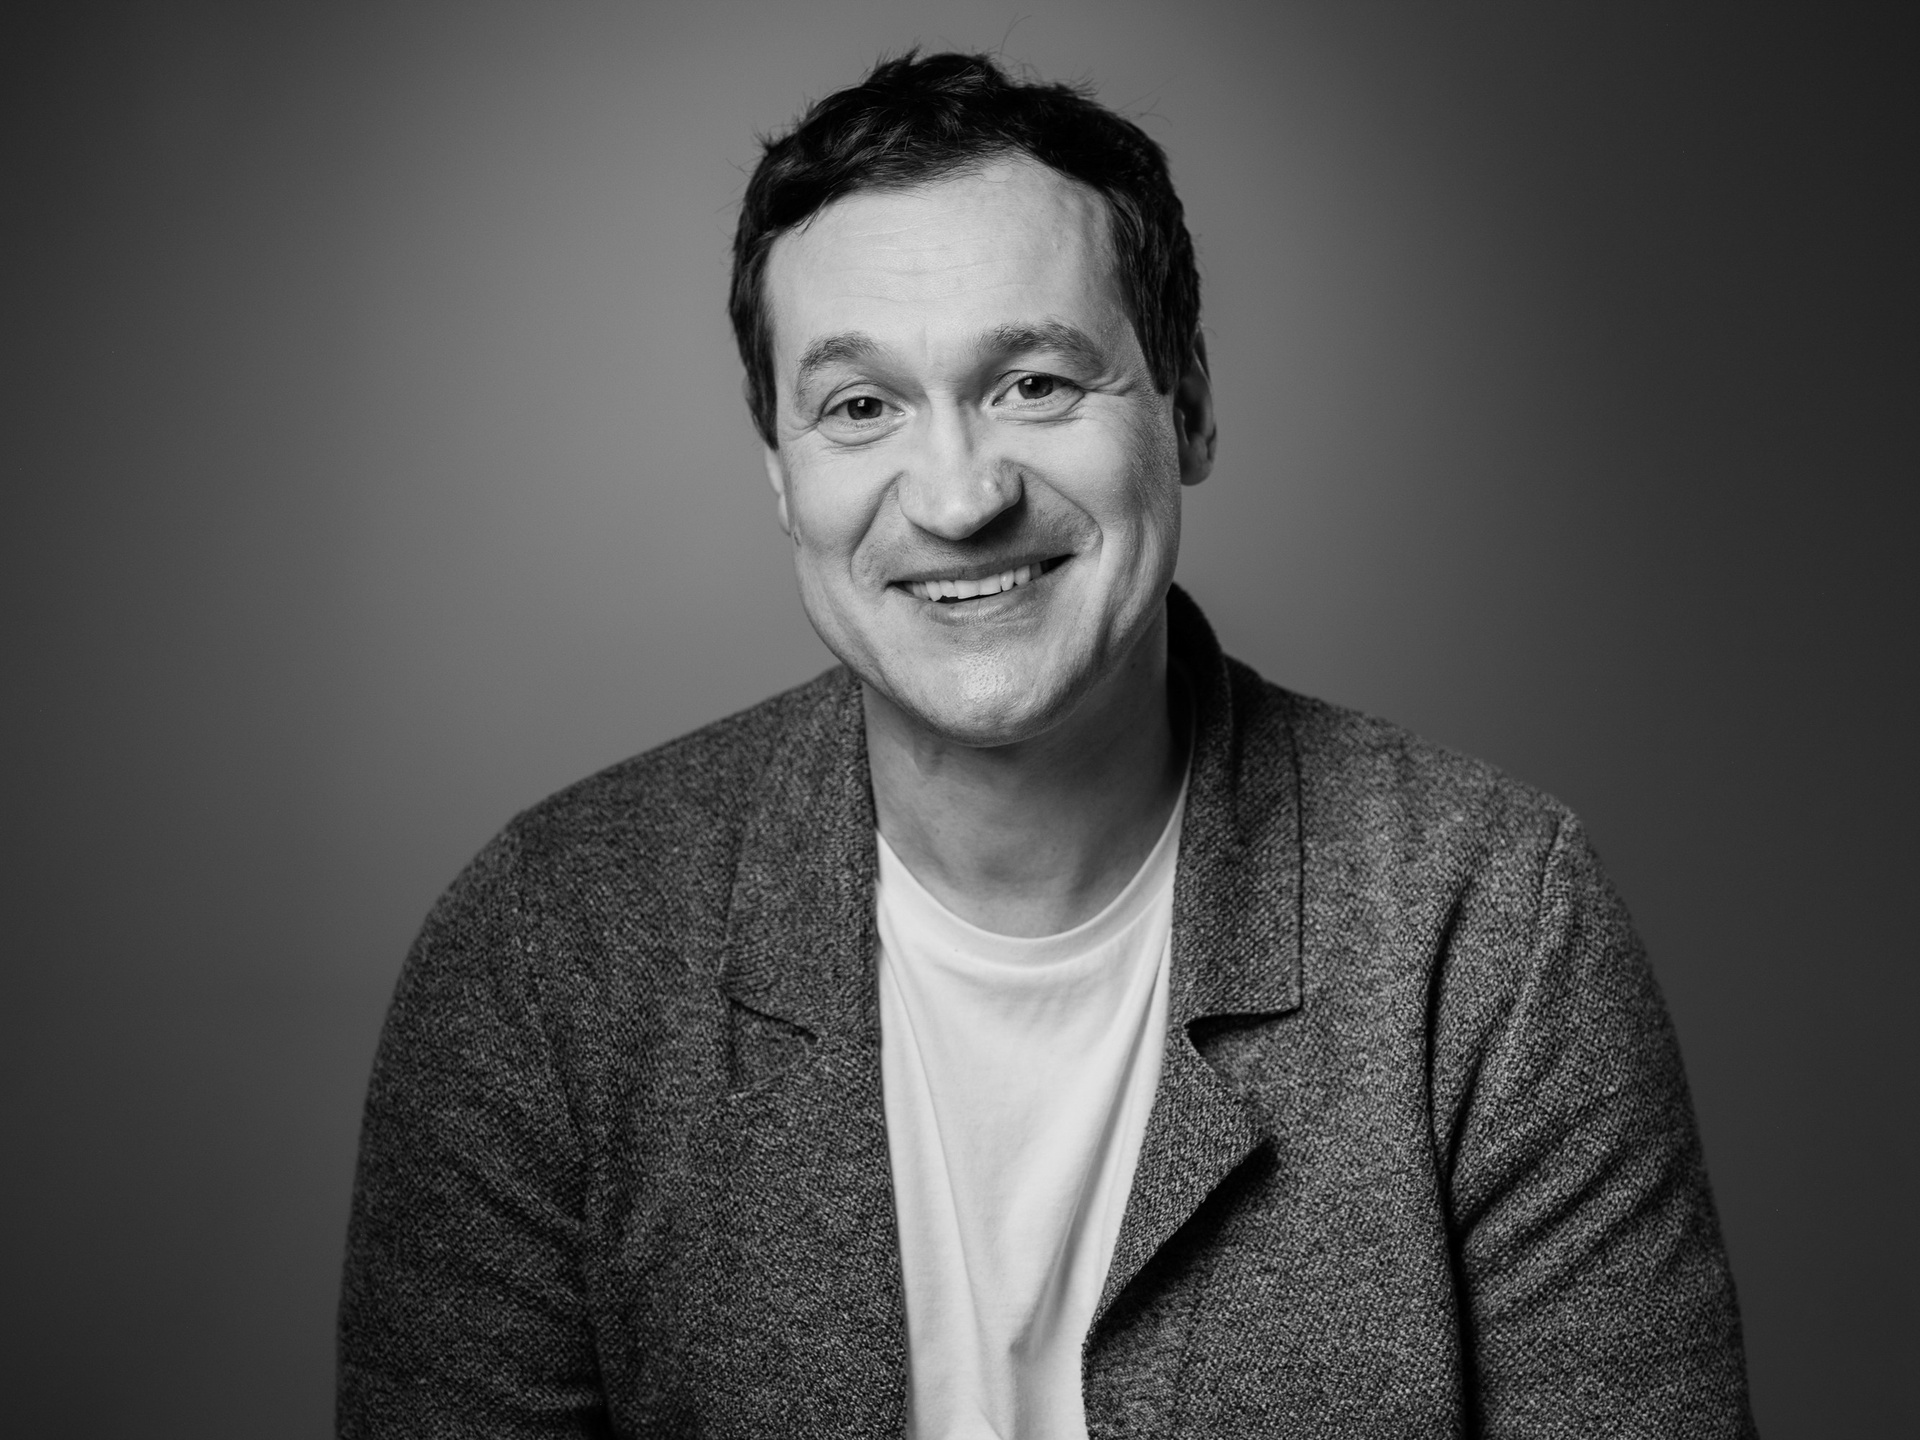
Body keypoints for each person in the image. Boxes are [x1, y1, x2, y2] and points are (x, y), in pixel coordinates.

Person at [338, 50, 1754, 1439]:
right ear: (780, 471)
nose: (960, 499)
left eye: (1033, 383)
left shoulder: (1494, 927)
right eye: (860, 408)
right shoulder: (547, 955)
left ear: (1187, 408)